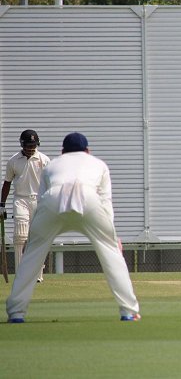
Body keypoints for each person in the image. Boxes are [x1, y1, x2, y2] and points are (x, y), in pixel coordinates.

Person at [6, 133, 140, 323]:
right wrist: (111, 238)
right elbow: (105, 202)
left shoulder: (52, 165)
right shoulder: (98, 164)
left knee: (31, 257)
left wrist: (33, 238)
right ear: (88, 151)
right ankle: (129, 311)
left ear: (62, 152)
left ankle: (16, 313)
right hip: (88, 198)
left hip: (53, 199)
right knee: (111, 254)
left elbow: (41, 200)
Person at [1, 129, 51, 282]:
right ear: (22, 144)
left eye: (33, 145)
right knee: (20, 235)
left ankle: (37, 274)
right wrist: (1, 205)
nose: (31, 148)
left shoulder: (44, 160)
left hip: (39, 200)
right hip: (21, 199)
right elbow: (7, 183)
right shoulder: (14, 160)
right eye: (28, 145)